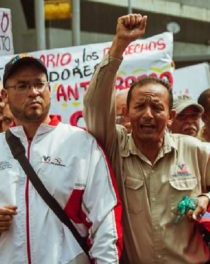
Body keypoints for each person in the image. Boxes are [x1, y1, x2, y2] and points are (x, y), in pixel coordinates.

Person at [83, 14, 210, 264]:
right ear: (125, 113)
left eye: (156, 107)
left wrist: (206, 199)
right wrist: (120, 44)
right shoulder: (115, 148)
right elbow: (95, 104)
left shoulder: (194, 150)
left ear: (170, 116)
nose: (147, 114)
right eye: (139, 106)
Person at [0, 55, 122, 263]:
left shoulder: (81, 143)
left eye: (39, 84)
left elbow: (105, 222)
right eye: (22, 85)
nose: (34, 92)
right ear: (4, 95)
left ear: (50, 89)